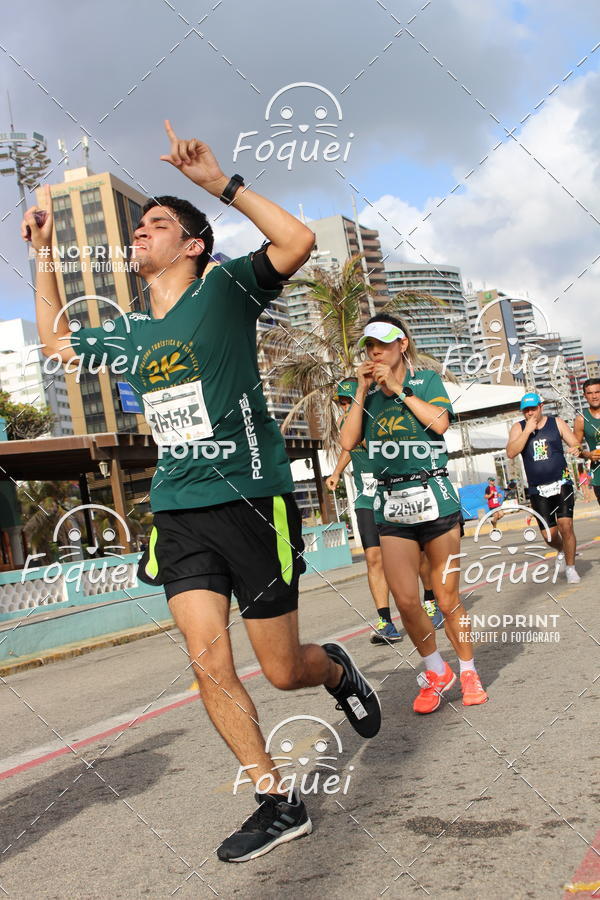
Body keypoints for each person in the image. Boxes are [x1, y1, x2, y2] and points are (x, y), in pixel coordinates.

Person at [22, 121, 381, 863]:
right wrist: (43, 254)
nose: (140, 232)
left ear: (192, 246)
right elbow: (56, 344)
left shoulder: (225, 289)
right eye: (138, 226)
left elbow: (296, 241)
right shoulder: (129, 332)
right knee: (207, 661)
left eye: (156, 224)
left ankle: (335, 668)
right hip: (178, 509)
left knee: (282, 670)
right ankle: (277, 801)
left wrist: (220, 184)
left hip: (250, 497)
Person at [340, 313, 489, 714]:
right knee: (406, 601)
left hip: (434, 498)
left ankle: (469, 671)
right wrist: (361, 389)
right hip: (391, 505)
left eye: (382, 344)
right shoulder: (366, 397)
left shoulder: (425, 381)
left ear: (402, 344)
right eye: (369, 346)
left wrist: (399, 389)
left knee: (446, 598)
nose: (375, 352)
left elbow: (439, 424)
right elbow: (349, 441)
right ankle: (436, 670)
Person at [326, 378, 402, 644]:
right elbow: (349, 447)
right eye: (342, 402)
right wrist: (337, 472)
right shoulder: (345, 423)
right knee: (374, 559)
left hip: (393, 494)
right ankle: (386, 622)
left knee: (411, 555)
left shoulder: (379, 419)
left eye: (349, 401)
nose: (345, 407)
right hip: (366, 499)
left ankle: (430, 601)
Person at [506, 392, 581, 584]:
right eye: (526, 410)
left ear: (541, 407)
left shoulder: (556, 423)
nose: (530, 413)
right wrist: (527, 431)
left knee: (566, 525)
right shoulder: (518, 427)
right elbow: (511, 452)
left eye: (533, 409)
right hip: (537, 489)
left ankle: (571, 568)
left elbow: (575, 443)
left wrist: (576, 448)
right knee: (549, 535)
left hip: (561, 482)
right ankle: (561, 550)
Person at [573, 378, 600, 506]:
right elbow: (576, 449)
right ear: (585, 396)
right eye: (590, 393)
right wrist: (588, 455)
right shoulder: (581, 420)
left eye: (597, 392)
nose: (594, 396)